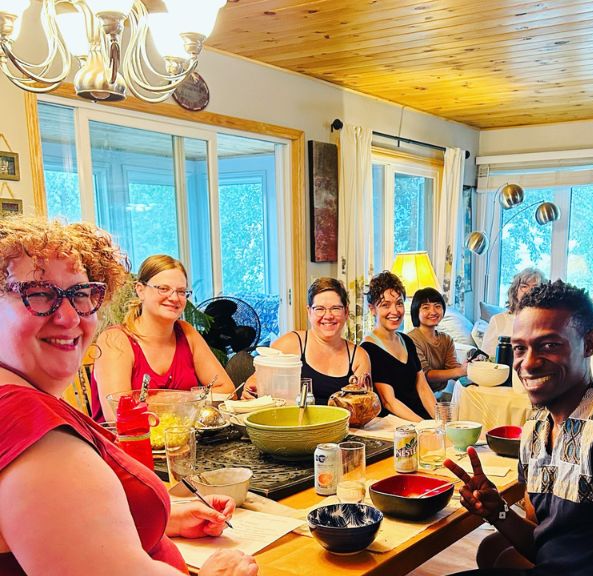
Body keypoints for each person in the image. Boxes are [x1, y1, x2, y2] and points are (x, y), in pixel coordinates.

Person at [0, 216, 258, 575]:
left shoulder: (27, 397)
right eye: (38, 294)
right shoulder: (28, 427)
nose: (70, 317)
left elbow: (70, 535)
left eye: (80, 294)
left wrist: (165, 515)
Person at [445, 281, 593, 576]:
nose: (528, 363)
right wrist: (498, 512)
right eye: (521, 348)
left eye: (549, 345)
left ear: (589, 344)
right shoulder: (536, 426)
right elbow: (544, 546)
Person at [92, 255, 234, 421]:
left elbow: (227, 390)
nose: (174, 298)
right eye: (163, 289)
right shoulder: (115, 340)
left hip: (180, 440)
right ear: (140, 290)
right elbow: (118, 415)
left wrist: (171, 400)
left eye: (181, 291)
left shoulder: (187, 333)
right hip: (123, 444)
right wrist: (188, 401)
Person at [244, 277, 370, 405]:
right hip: (292, 422)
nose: (328, 316)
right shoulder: (290, 344)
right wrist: (252, 391)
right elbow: (255, 381)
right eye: (319, 309)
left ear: (346, 312)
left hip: (343, 424)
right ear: (309, 312)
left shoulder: (359, 357)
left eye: (336, 308)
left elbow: (363, 407)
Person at [361, 271, 435, 421]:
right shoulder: (368, 349)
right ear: (372, 309)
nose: (395, 311)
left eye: (399, 303)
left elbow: (423, 387)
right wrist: (424, 426)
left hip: (421, 419)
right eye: (385, 305)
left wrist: (440, 421)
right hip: (394, 426)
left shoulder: (406, 340)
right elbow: (389, 401)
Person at [407, 287, 466, 395]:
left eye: (437, 306)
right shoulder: (411, 339)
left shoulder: (446, 339)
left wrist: (470, 367)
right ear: (416, 311)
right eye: (426, 307)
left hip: (438, 394)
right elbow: (425, 375)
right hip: (416, 396)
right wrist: (460, 371)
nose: (433, 311)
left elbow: (453, 368)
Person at [481, 268, 546, 357]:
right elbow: (486, 357)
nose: (530, 291)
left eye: (535, 287)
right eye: (524, 286)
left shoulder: (547, 322)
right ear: (515, 291)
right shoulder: (498, 320)